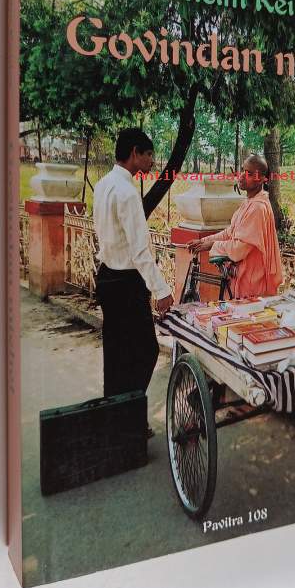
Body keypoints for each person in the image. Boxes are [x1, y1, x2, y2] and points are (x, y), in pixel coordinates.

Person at [93, 128, 173, 436]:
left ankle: (116, 420)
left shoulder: (103, 185)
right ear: (135, 153)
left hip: (107, 277)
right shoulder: (127, 193)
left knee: (116, 354)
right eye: (149, 154)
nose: (152, 161)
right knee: (146, 350)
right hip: (126, 283)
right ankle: (129, 418)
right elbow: (140, 251)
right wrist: (161, 290)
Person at [186, 154, 283, 298]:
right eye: (243, 170)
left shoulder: (258, 208)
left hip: (252, 282)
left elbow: (239, 248)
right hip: (241, 278)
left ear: (262, 179)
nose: (242, 176)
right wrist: (203, 241)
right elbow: (229, 232)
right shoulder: (248, 203)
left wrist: (212, 245)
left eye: (249, 174)